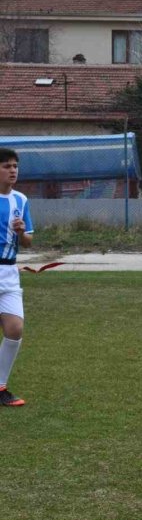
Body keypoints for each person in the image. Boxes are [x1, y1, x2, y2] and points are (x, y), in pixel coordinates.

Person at [0, 148, 33, 407]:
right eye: (7, 166)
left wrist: (22, 233)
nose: (13, 170)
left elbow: (29, 242)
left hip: (9, 273)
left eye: (15, 166)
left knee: (15, 329)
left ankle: (0, 387)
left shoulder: (21, 200)